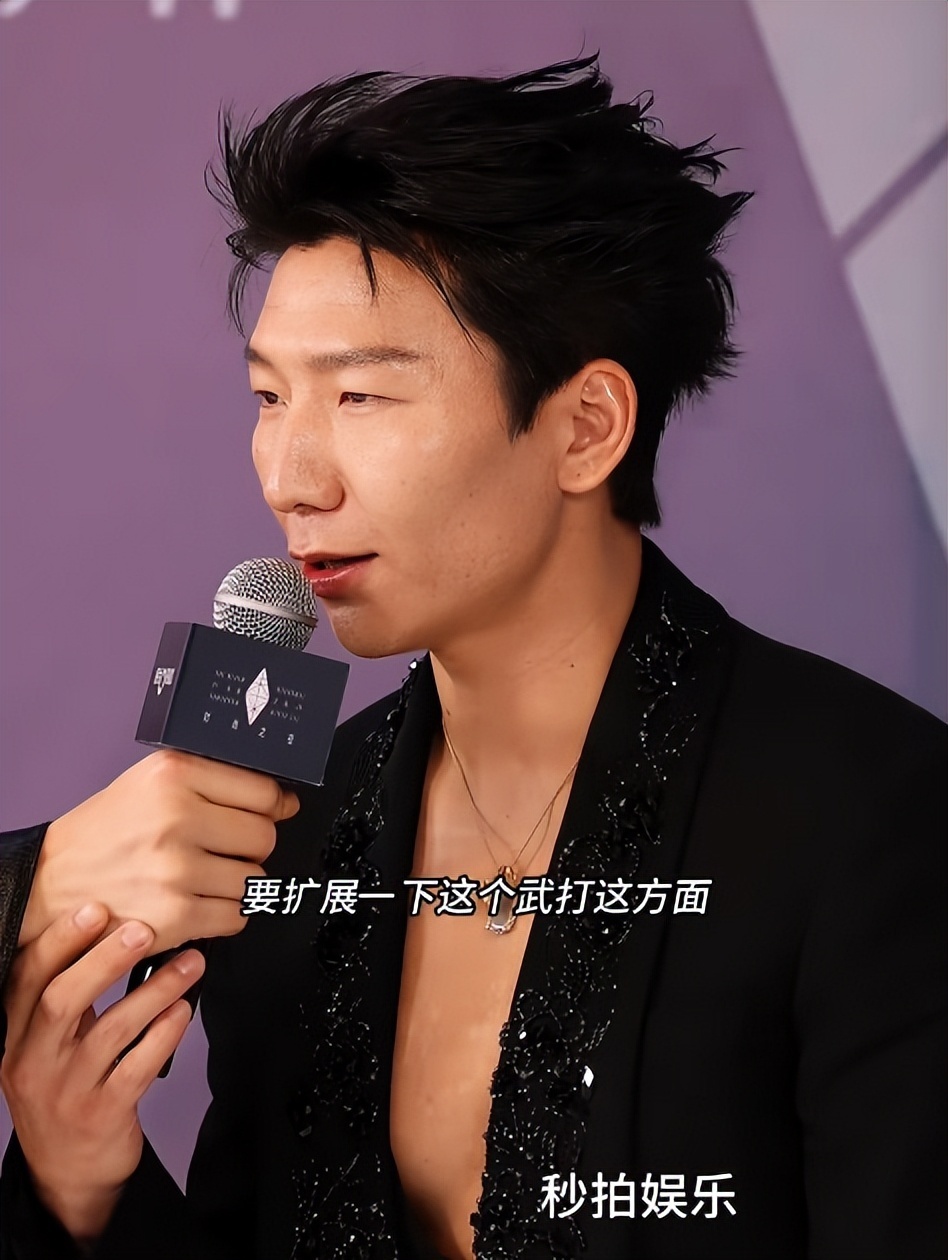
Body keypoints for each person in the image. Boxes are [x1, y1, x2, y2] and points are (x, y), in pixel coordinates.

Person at [0, 56, 944, 1260]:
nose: (291, 479)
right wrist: (84, 1181)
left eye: (360, 398)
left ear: (586, 427)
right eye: (269, 396)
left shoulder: (870, 814)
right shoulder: (283, 834)